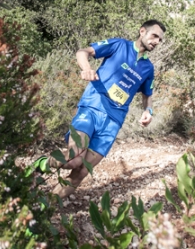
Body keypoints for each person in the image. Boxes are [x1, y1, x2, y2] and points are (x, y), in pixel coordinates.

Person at [28, 19, 166, 199]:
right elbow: (83, 51)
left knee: (81, 173)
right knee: (74, 159)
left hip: (113, 121)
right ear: (142, 31)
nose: (156, 41)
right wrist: (86, 68)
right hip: (92, 107)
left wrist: (148, 111)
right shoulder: (119, 45)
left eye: (160, 40)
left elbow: (147, 95)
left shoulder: (148, 68)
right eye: (154, 36)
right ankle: (42, 164)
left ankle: (42, 211)